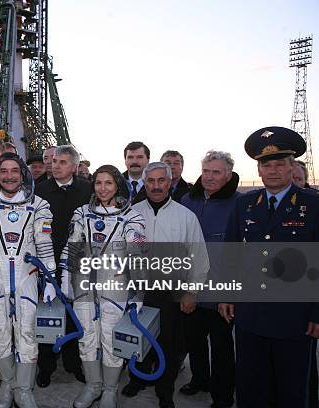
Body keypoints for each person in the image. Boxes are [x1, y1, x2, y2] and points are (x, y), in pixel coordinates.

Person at [219, 126, 319, 408]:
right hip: (250, 316)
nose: (272, 170)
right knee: (251, 387)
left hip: (294, 318)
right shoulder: (245, 204)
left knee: (291, 390)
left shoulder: (312, 206)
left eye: (279, 164)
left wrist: (317, 312)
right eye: (266, 165)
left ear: (292, 168)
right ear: (259, 170)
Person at [0, 152, 57, 408]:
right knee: (0, 332)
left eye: (14, 171)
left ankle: (24, 388)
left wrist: (49, 279)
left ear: (23, 174)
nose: (9, 176)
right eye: (3, 171)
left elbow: (44, 243)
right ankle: (7, 384)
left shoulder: (38, 205)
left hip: (26, 277)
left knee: (27, 332)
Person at [124, 162, 208, 408]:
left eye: (162, 180)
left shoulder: (185, 216)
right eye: (151, 181)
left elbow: (199, 256)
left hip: (171, 292)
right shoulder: (132, 213)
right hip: (139, 290)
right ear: (145, 183)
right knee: (137, 338)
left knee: (168, 345)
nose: (156, 186)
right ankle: (136, 379)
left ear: (170, 182)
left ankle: (164, 391)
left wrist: (192, 292)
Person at [61, 164, 146, 408]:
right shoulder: (81, 213)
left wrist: (137, 294)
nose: (103, 188)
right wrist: (65, 278)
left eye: (109, 183)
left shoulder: (132, 216)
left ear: (118, 185)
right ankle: (93, 385)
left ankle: (110, 389)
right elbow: (72, 247)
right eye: (98, 183)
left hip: (115, 286)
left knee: (110, 339)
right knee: (86, 337)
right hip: (84, 285)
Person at [179, 151, 239, 408]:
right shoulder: (187, 200)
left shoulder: (240, 203)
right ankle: (200, 379)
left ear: (227, 174)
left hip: (220, 289)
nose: (209, 177)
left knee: (222, 347)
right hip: (191, 287)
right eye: (206, 171)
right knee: (194, 341)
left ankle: (223, 395)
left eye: (216, 172)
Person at [35, 145, 90, 387]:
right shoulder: (40, 190)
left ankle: (73, 362)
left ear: (75, 167)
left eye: (62, 162)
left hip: (78, 264)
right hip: (46, 261)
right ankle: (45, 366)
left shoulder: (88, 191)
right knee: (47, 312)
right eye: (54, 161)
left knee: (75, 313)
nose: (55, 165)